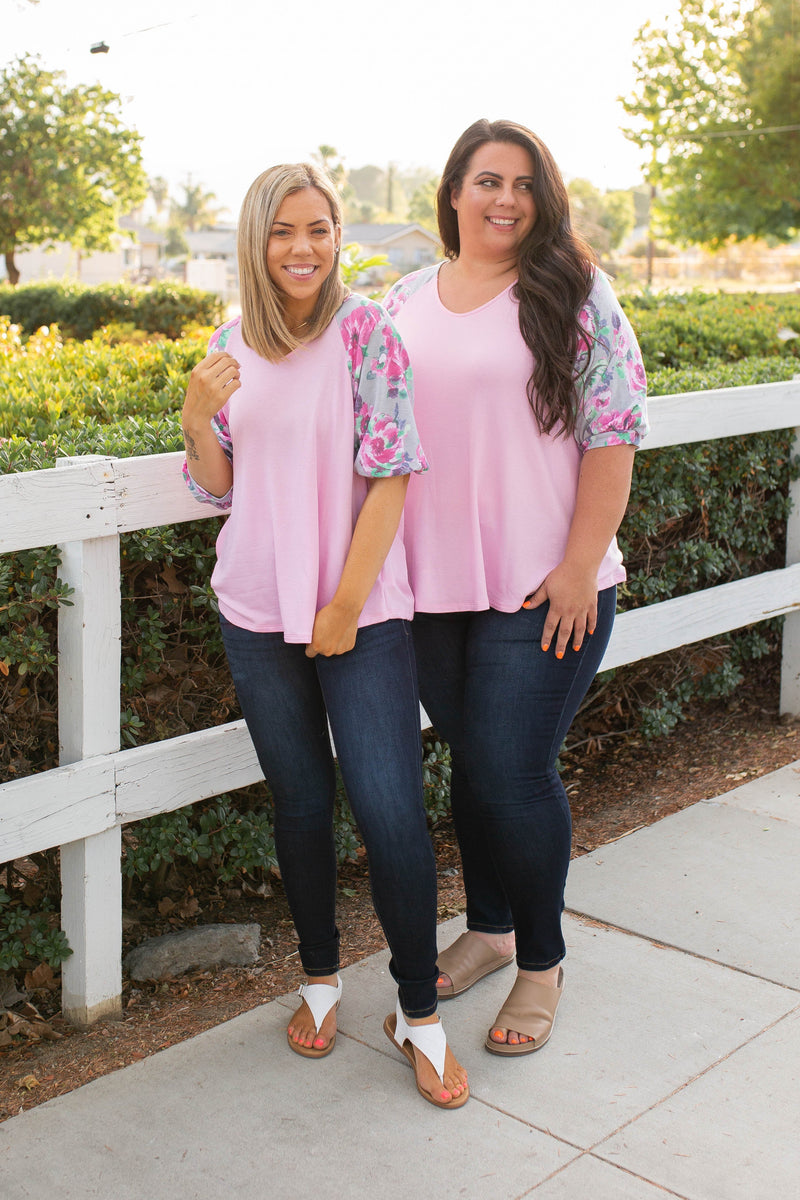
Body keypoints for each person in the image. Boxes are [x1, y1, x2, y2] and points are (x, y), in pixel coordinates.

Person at [181, 162, 468, 1108]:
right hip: (255, 611)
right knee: (300, 802)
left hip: (361, 613)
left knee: (389, 812)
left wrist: (344, 605)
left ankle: (419, 1015)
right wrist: (194, 414)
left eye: (319, 229)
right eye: (283, 231)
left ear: (338, 235)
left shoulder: (366, 332)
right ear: (256, 242)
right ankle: (318, 980)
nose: (304, 248)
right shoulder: (227, 344)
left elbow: (392, 474)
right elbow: (218, 485)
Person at [384, 119, 648, 1056]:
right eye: (488, 180)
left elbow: (614, 432)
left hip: (547, 585)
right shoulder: (407, 296)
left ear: (544, 201)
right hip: (431, 587)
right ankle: (489, 930)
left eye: (525, 185)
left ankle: (540, 962)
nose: (506, 199)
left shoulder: (574, 291)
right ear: (453, 190)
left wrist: (581, 564)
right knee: (471, 761)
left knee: (510, 770)